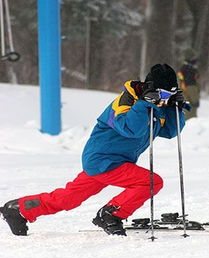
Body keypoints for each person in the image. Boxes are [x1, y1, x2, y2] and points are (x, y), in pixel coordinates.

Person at [0, 63, 185, 237]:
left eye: (170, 95)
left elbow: (169, 131)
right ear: (150, 88)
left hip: (114, 161)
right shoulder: (125, 102)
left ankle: (19, 209)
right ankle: (111, 214)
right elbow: (131, 129)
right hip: (104, 161)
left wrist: (176, 109)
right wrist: (144, 104)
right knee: (151, 182)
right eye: (163, 94)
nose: (164, 100)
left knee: (68, 199)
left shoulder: (157, 104)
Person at [177, 48, 200, 120]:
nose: (195, 59)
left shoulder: (182, 69)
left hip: (183, 97)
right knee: (191, 121)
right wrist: (195, 100)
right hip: (190, 99)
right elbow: (191, 87)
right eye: (194, 57)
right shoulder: (190, 70)